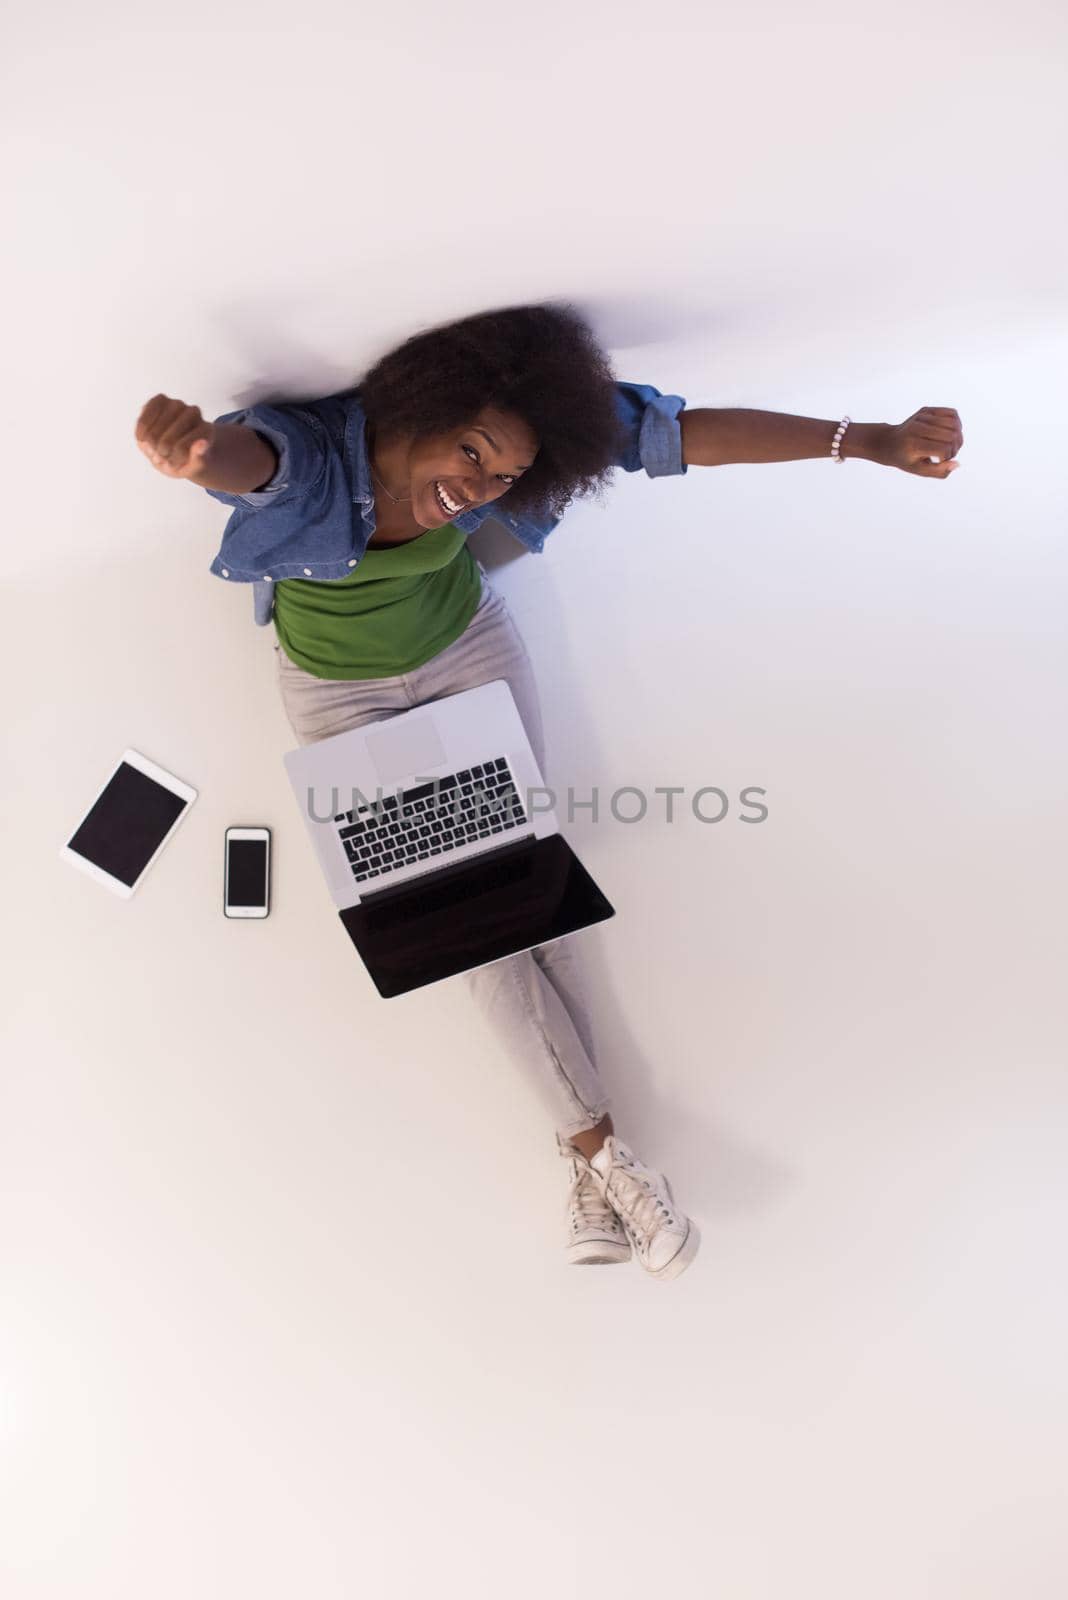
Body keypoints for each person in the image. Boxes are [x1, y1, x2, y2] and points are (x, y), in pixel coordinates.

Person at [134, 300, 963, 1282]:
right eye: (471, 453)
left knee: (525, 901)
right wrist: (196, 455)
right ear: (418, 408)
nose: (477, 487)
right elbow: (252, 461)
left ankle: (589, 1168)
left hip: (467, 655)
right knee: (465, 927)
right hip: (336, 700)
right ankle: (602, 1154)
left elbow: (676, 434)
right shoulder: (319, 454)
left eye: (506, 476)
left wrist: (864, 440)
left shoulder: (509, 456)